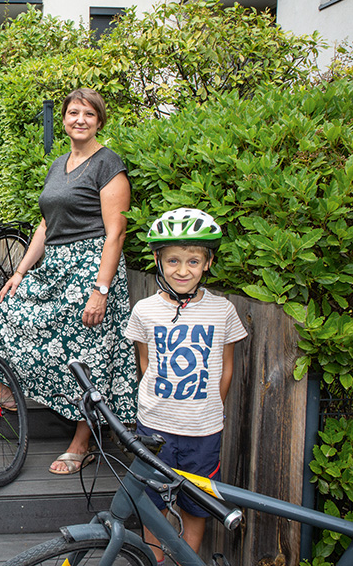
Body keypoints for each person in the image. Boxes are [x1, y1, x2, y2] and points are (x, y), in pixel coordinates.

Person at [0, 88, 137, 475]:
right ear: (64, 118)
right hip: (56, 265)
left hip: (92, 267)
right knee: (4, 311)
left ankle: (82, 443)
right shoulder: (59, 163)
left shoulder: (108, 164)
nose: (80, 119)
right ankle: (10, 390)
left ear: (99, 120)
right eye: (73, 113)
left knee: (87, 355)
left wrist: (101, 291)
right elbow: (46, 225)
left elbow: (116, 233)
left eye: (88, 114)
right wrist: (18, 272)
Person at [124, 208, 247, 559]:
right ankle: (154, 558)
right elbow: (145, 363)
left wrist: (208, 409)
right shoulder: (144, 310)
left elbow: (226, 370)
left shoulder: (222, 310)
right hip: (155, 429)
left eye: (193, 261)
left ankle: (186, 559)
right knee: (152, 504)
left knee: (197, 507)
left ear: (207, 263)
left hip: (203, 432)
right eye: (173, 260)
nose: (182, 270)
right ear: (157, 260)